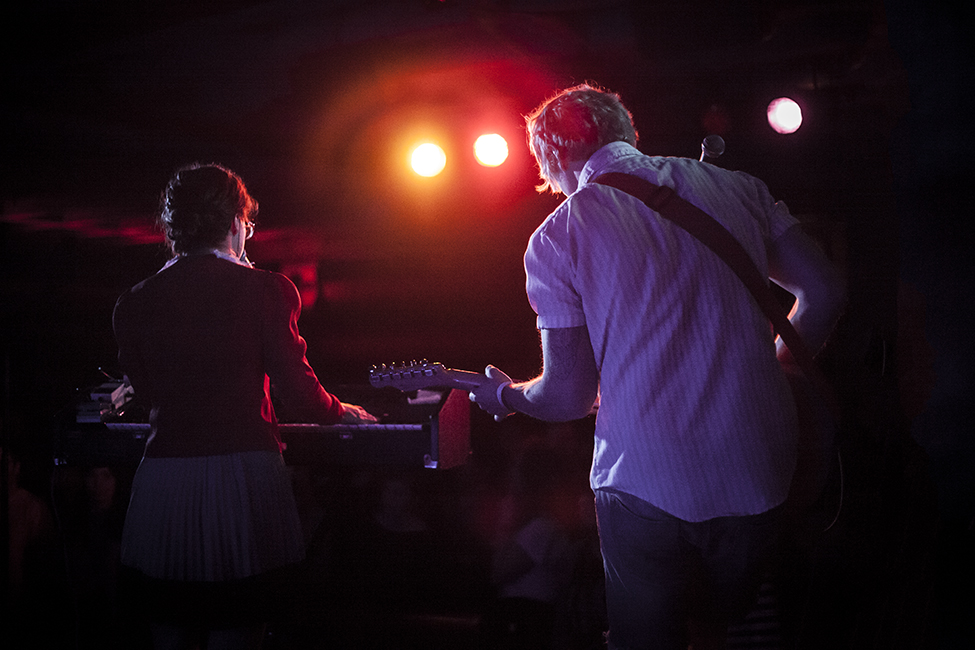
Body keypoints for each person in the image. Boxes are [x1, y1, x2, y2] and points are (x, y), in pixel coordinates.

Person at [469, 84, 847, 649]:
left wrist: (505, 396)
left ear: (550, 159)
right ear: (625, 130)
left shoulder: (558, 235)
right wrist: (775, 371)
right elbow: (825, 291)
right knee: (728, 630)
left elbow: (569, 397)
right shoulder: (739, 188)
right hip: (759, 468)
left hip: (643, 478)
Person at [113, 162, 376, 649]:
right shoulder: (267, 289)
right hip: (241, 476)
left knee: (170, 627)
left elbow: (145, 396)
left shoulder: (134, 301)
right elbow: (298, 390)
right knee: (239, 627)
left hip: (164, 482)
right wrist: (341, 411)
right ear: (236, 221)